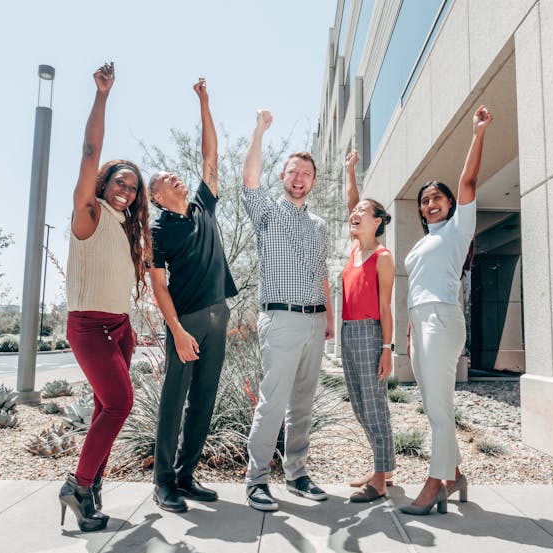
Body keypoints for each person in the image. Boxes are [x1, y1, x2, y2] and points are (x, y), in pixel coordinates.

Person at [60, 62, 152, 532]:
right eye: (121, 181)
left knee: (105, 407)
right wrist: (102, 96)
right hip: (89, 326)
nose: (128, 191)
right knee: (119, 403)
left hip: (119, 328)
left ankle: (91, 486)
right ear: (103, 183)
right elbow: (90, 149)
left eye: (134, 187)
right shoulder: (88, 213)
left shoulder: (126, 227)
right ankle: (78, 485)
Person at [147, 78, 237, 513]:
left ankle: (185, 476)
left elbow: (210, 156)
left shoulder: (203, 205)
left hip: (218, 313)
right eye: (165, 178)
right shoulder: (158, 230)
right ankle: (162, 482)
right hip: (186, 322)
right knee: (173, 399)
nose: (174, 176)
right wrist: (178, 331)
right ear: (156, 196)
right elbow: (157, 287)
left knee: (204, 398)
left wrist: (205, 101)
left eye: (174, 174)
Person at [400, 105, 492, 515]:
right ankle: (454, 474)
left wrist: (477, 133)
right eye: (425, 201)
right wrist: (408, 327)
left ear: (452, 203)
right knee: (436, 405)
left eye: (437, 197)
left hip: (441, 320)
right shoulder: (422, 243)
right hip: (419, 323)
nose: (430, 203)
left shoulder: (458, 230)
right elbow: (417, 286)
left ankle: (435, 484)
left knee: (439, 410)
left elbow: (469, 179)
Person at [241, 109, 334, 512]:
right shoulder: (267, 213)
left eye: (306, 174)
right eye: (293, 172)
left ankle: (297, 474)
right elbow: (249, 180)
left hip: (315, 320)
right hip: (280, 319)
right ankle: (256, 480)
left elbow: (322, 272)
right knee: (273, 402)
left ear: (313, 182)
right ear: (283, 176)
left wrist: (327, 317)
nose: (299, 179)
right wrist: (260, 131)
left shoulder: (319, 225)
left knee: (302, 403)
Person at [340, 149, 397, 502]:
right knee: (360, 404)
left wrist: (388, 349)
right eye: (355, 213)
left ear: (378, 221)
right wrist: (349, 172)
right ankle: (384, 467)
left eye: (364, 213)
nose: (356, 215)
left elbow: (387, 306)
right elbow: (352, 203)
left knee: (374, 403)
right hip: (348, 331)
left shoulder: (382, 257)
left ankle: (379, 479)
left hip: (370, 331)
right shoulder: (354, 249)